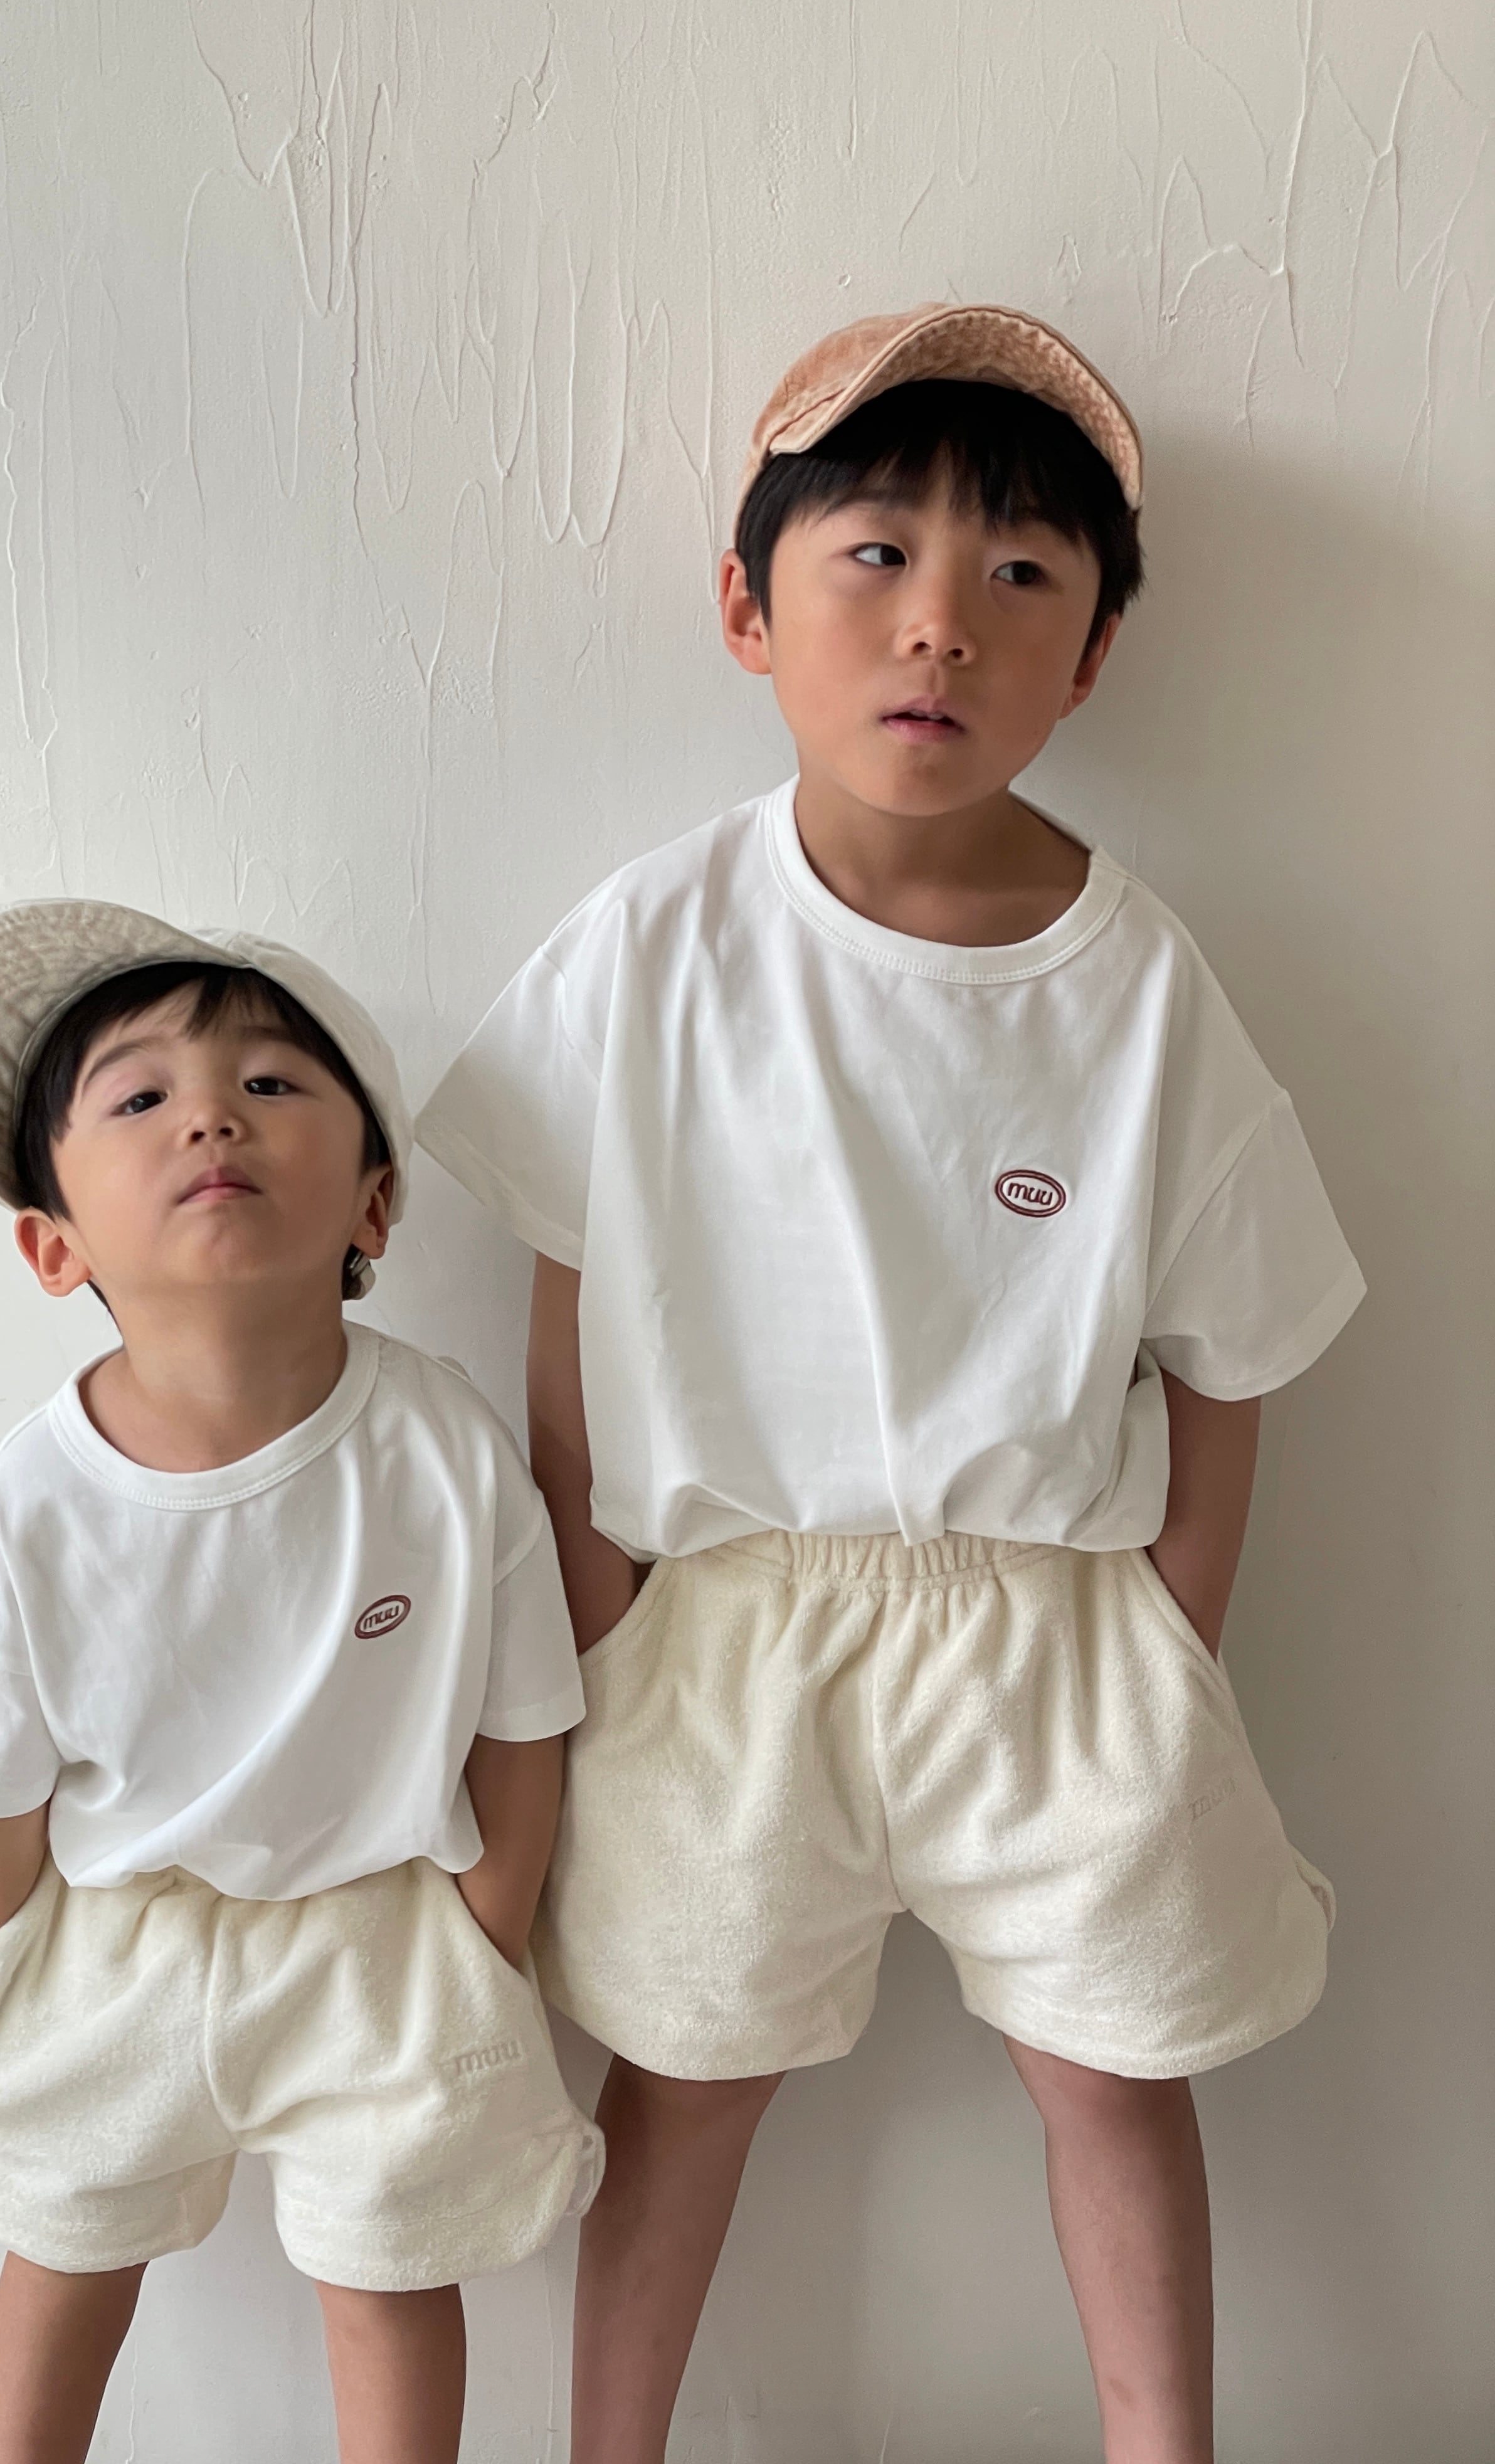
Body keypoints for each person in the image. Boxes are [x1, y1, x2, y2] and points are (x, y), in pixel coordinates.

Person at [415, 304, 1364, 2464]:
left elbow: (1232, 1345)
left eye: (1019, 573)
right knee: (685, 2070)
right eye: (875, 554)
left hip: (1053, 1627)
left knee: (1114, 2068)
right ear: (748, 608)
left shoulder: (1134, 977)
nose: (941, 621)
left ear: (1091, 656)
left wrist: (1174, 1631)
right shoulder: (658, 940)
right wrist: (597, 1611)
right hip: (728, 1625)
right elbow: (566, 1301)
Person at [0, 899, 601, 2464]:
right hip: (121, 1937)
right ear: (54, 1245)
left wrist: (488, 1934)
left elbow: (523, 1718)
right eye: (140, 1097)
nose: (210, 1115)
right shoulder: (33, 1502)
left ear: (376, 1202)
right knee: (69, 2244)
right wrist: (12, 1952)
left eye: (270, 1083)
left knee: (389, 2268)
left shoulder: (444, 1447)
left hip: (385, 1938)